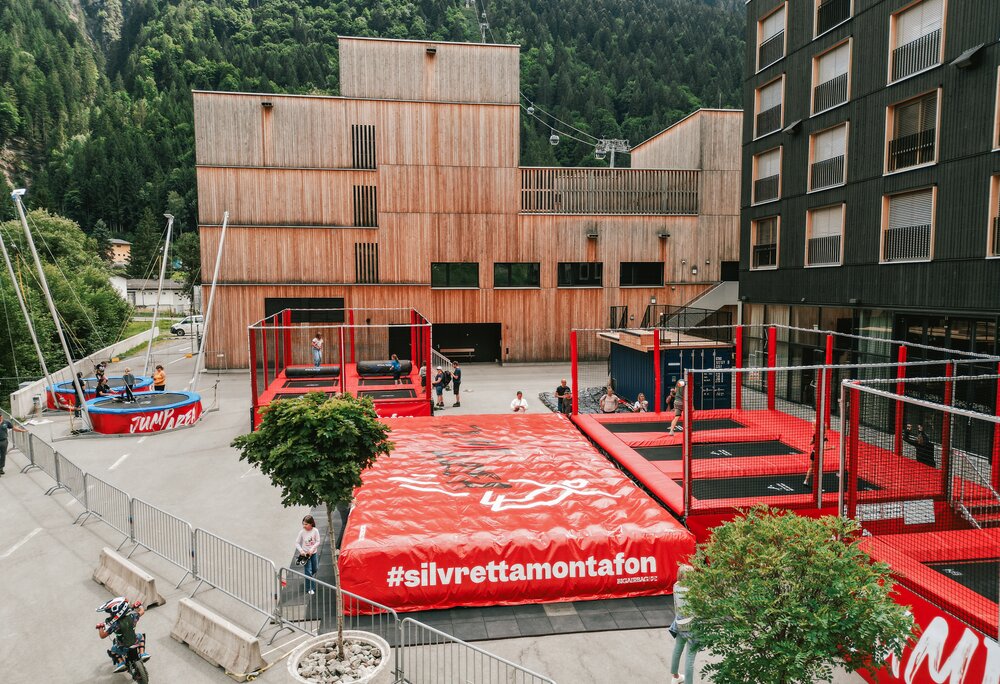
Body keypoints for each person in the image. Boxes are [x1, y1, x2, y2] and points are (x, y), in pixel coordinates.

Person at [95, 596, 150, 673]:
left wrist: (100, 627)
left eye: (111, 614)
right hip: (135, 641)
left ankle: (121, 662)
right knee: (141, 636)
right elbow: (142, 611)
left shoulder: (114, 625)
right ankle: (142, 653)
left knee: (112, 651)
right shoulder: (132, 617)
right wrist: (139, 606)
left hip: (122, 646)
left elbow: (102, 636)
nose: (110, 615)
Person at [669, 564, 699, 684]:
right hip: (692, 625)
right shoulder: (694, 591)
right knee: (690, 656)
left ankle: (675, 676)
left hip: (680, 623)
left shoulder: (676, 586)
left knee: (678, 648)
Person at [296, 515, 322, 595]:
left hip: (313, 554)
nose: (304, 526)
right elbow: (297, 543)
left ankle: (309, 579)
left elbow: (318, 541)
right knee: (308, 571)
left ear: (311, 523)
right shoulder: (302, 532)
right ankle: (310, 588)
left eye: (306, 524)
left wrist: (312, 549)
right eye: (303, 524)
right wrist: (301, 551)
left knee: (315, 568)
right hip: (305, 555)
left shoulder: (315, 531)